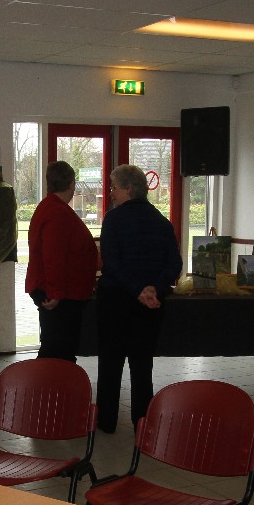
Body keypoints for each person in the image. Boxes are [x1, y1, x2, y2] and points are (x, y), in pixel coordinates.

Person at [95, 164, 181, 433]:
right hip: (150, 306)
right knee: (142, 365)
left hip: (116, 302)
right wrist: (152, 289)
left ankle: (107, 421)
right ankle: (142, 422)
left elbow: (111, 264)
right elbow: (174, 264)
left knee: (110, 364)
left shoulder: (113, 219)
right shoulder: (161, 222)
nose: (111, 193)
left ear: (129, 189)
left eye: (114, 187)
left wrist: (137, 290)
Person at [25, 160, 98, 361]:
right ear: (72, 184)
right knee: (58, 351)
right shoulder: (57, 212)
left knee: (57, 348)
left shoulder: (51, 207)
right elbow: (53, 255)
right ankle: (52, 381)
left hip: (60, 291)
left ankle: (54, 380)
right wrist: (55, 292)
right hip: (59, 294)